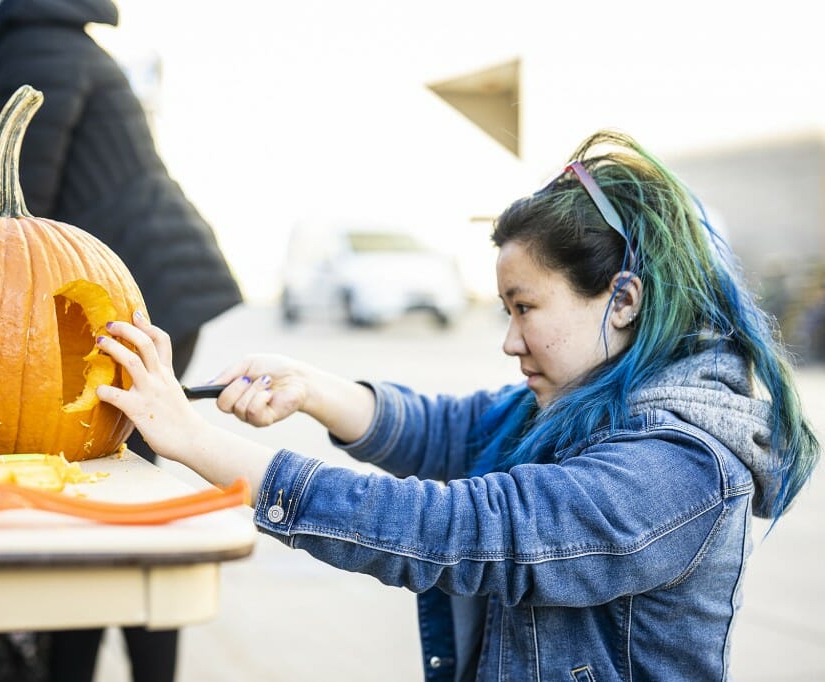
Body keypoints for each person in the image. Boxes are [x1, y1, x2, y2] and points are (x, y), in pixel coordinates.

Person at [93, 130, 821, 680]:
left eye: (524, 306)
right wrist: (313, 390)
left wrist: (192, 439)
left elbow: (455, 532)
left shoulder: (677, 470)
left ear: (623, 300)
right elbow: (453, 429)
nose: (509, 340)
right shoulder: (578, 404)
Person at [0, 0, 243, 680]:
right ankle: (71, 665)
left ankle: (119, 668)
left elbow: (17, 197)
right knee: (91, 500)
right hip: (112, 284)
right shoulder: (19, 41)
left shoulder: (33, 44)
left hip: (142, 290)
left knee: (114, 499)